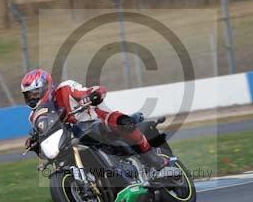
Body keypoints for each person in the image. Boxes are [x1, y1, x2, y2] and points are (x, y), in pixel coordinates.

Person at [21, 68, 166, 169]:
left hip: (96, 121)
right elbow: (47, 141)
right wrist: (35, 144)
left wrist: (91, 95)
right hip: (72, 139)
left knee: (121, 122)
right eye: (29, 95)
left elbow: (91, 91)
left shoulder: (64, 89)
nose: (32, 98)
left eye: (35, 93)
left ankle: (152, 158)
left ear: (47, 87)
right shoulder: (35, 116)